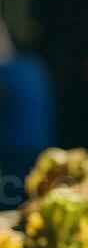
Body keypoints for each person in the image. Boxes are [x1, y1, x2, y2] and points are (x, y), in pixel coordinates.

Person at [0, 15, 55, 199]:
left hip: (12, 151)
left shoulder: (7, 74)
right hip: (40, 147)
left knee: (12, 199)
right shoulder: (35, 67)